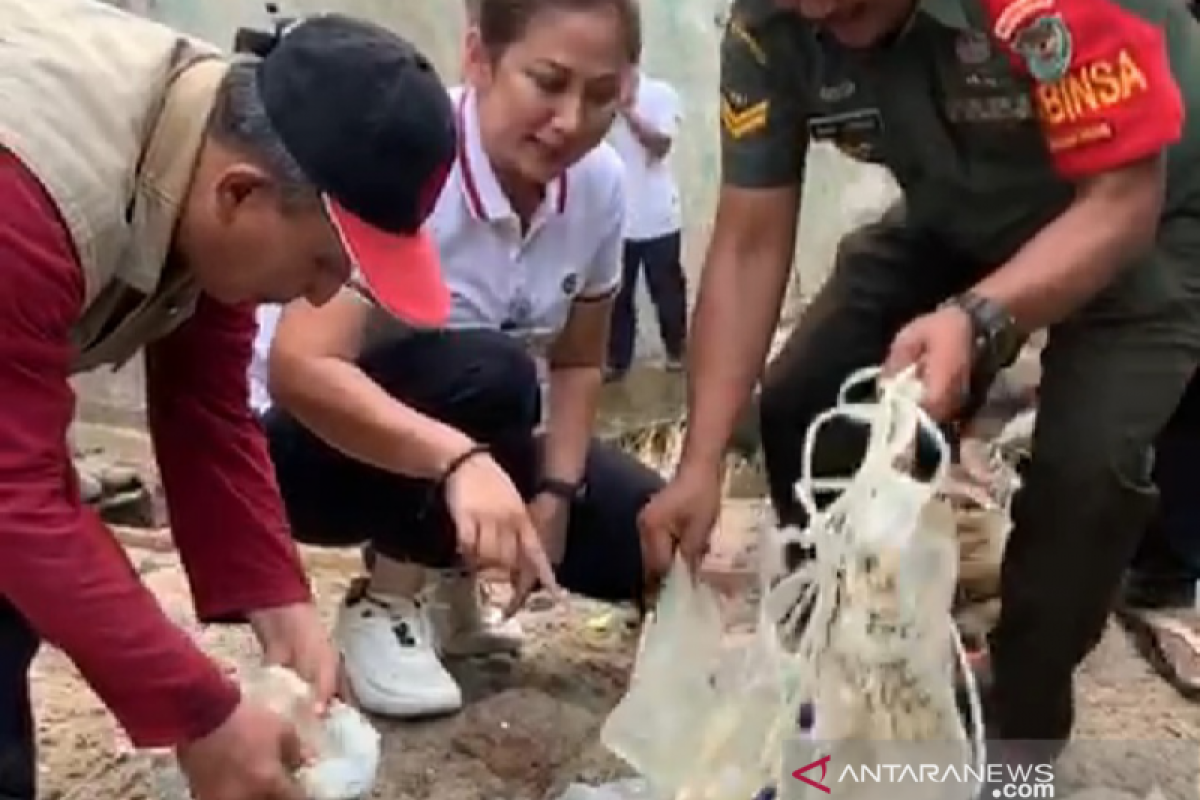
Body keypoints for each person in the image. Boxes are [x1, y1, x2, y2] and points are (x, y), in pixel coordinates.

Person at [640, 0, 1200, 761]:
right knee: (810, 395)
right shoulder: (764, 27)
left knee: (1084, 479)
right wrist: (700, 463)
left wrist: (979, 320)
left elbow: (1122, 202)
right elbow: (748, 241)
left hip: (1147, 209)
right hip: (956, 207)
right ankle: (856, 666)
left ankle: (1020, 736)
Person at [0, 2, 459, 799]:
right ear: (240, 196)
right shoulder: (31, 189)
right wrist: (199, 714)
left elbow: (207, 407)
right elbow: (12, 494)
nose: (320, 296)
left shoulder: (212, 148)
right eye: (322, 262)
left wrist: (280, 604)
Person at [251, 0, 663, 719]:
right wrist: (459, 463)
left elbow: (575, 361)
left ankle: (452, 584)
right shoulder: (413, 156)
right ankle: (388, 600)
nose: (570, 119)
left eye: (601, 96)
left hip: (465, 436)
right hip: (302, 449)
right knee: (493, 372)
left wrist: (557, 496)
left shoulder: (598, 186)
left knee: (642, 531)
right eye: (547, 81)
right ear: (478, 58)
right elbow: (301, 365)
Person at [605, 66, 688, 381]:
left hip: (658, 216)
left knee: (666, 288)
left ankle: (677, 352)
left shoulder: (660, 94)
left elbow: (661, 145)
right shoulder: (600, 101)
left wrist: (628, 112)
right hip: (616, 218)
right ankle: (617, 361)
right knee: (617, 295)